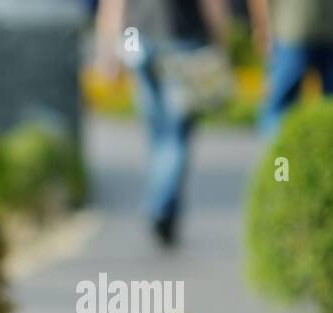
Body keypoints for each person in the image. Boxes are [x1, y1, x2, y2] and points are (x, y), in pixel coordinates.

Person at [96, 0, 232, 245]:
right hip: (184, 41)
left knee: (158, 131)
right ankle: (161, 206)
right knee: (176, 134)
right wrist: (220, 42)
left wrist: (110, 50)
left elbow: (115, 5)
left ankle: (161, 203)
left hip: (142, 41)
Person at [250, 0, 333, 135]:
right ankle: (280, 155)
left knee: (330, 106)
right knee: (279, 105)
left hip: (325, 32)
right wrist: (262, 28)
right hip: (291, 34)